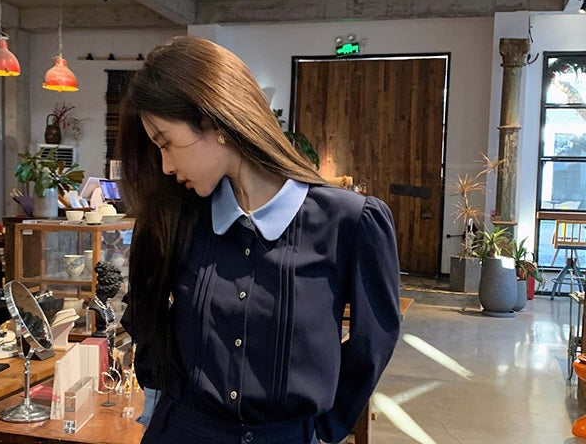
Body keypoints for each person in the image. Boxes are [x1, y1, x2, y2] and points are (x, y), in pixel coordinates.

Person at [118, 36, 400, 444]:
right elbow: (145, 319)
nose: (165, 165)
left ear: (213, 121)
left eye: (166, 143)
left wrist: (319, 429)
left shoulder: (350, 221)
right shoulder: (176, 217)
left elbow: (373, 342)